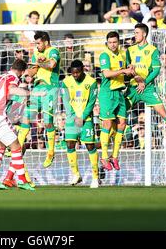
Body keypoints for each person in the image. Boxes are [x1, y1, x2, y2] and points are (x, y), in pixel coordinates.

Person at [125, 23, 166, 147]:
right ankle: (121, 140)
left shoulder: (153, 50)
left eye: (137, 32)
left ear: (144, 34)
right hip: (133, 87)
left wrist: (144, 82)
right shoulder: (130, 50)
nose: (135, 35)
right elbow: (128, 68)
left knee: (163, 112)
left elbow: (156, 70)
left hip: (147, 87)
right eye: (134, 33)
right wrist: (132, 73)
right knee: (122, 112)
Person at [0, 59, 35, 191]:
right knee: (16, 147)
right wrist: (31, 93)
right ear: (21, 71)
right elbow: (12, 89)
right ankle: (22, 180)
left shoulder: (0, 77)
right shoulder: (12, 78)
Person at [18, 31, 60, 169]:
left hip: (50, 89)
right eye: (35, 43)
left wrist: (40, 63)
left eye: (38, 43)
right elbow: (33, 70)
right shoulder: (36, 52)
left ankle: (51, 152)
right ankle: (17, 148)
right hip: (37, 88)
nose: (37, 46)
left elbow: (52, 65)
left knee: (48, 122)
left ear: (46, 42)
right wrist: (24, 72)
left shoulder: (53, 51)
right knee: (26, 118)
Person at [99, 31, 134, 172]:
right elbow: (106, 73)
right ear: (107, 42)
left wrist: (132, 72)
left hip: (120, 92)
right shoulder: (104, 55)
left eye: (115, 42)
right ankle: (104, 156)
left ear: (118, 42)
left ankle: (115, 156)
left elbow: (127, 71)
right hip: (108, 93)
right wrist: (123, 71)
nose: (112, 44)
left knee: (122, 124)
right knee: (107, 123)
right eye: (110, 42)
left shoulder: (123, 54)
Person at [61, 60, 99, 188]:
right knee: (70, 144)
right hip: (72, 119)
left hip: (86, 119)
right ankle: (76, 174)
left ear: (83, 70)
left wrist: (82, 117)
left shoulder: (92, 82)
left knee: (89, 146)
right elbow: (66, 102)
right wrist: (73, 117)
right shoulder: (66, 82)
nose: (75, 75)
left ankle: (95, 177)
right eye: (73, 73)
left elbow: (91, 102)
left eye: (78, 72)